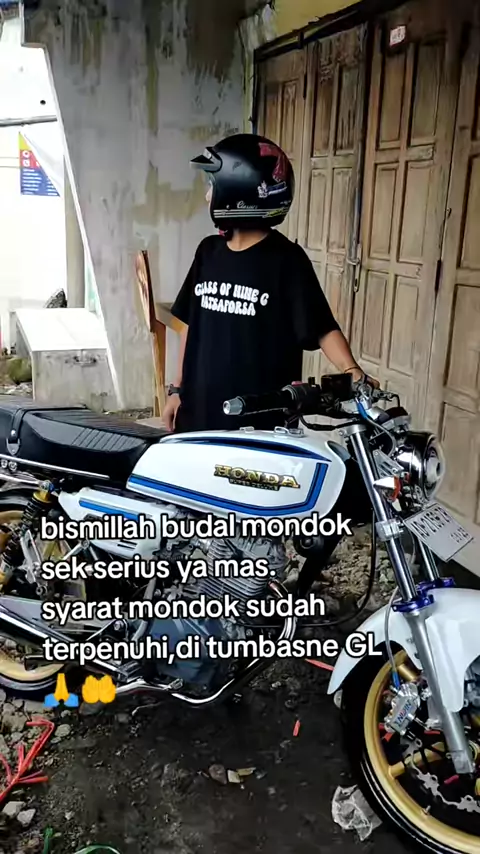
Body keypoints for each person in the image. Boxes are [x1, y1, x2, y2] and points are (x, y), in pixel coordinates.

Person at [164, 133, 376, 433]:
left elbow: (322, 328)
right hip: (198, 416)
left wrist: (352, 371)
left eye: (213, 186)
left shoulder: (286, 260)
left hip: (261, 425)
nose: (208, 197)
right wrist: (176, 390)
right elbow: (189, 325)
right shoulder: (207, 253)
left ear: (238, 192)